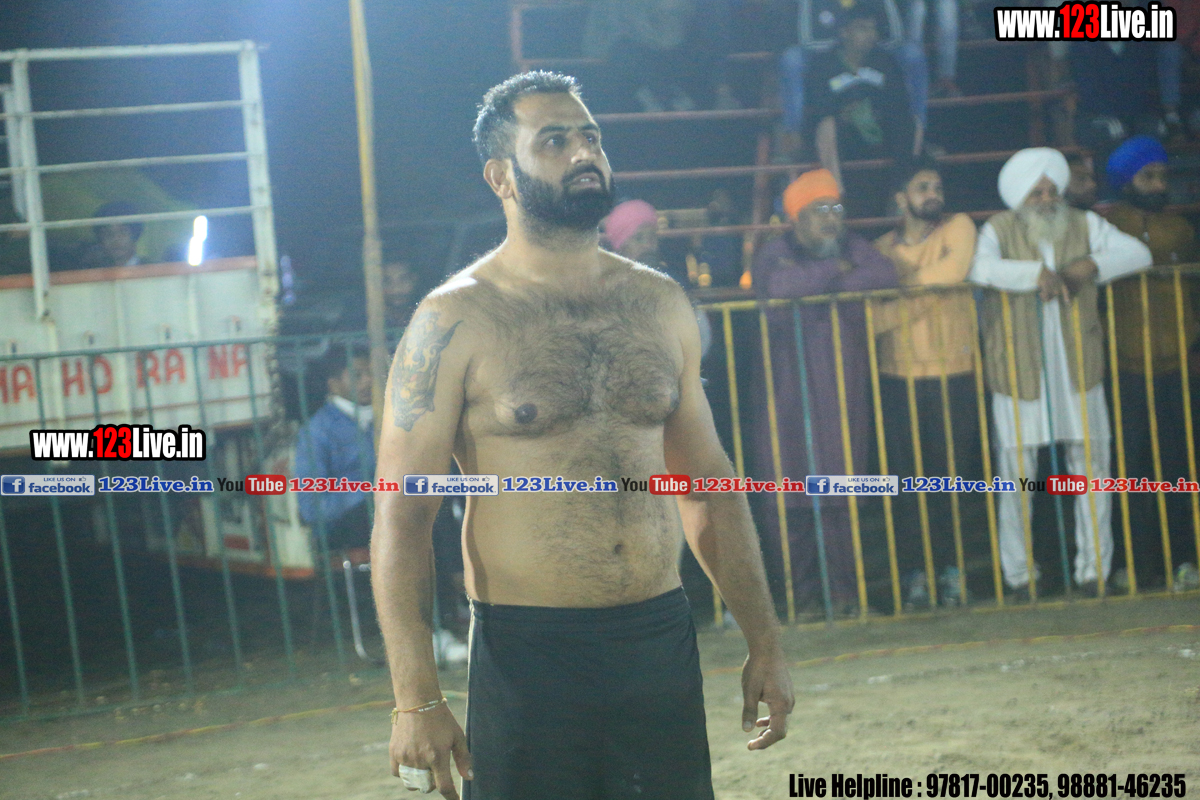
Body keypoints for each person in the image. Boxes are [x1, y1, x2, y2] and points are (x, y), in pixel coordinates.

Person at [372, 72, 793, 800]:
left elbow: (708, 489)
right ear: (501, 176)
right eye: (554, 141)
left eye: (590, 136)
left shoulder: (659, 304)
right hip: (528, 657)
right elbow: (403, 515)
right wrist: (416, 699)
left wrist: (765, 642)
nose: (582, 153)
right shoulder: (454, 319)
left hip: (658, 642)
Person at [969, 148, 1151, 598]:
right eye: (1037, 192)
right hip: (1018, 369)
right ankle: (1020, 576)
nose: (1048, 199)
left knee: (1093, 468)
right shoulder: (999, 228)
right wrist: (1036, 274)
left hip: (1078, 367)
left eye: (1053, 190)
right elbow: (981, 269)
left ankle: (1094, 571)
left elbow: (1139, 253)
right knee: (1017, 477)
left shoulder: (1084, 224)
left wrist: (1090, 265)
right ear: (1020, 197)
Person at [750, 168, 898, 615]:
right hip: (784, 395)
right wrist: (837, 269)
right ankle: (803, 600)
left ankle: (846, 597)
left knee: (841, 494)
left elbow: (884, 274)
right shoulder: (775, 252)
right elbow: (780, 286)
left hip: (841, 390)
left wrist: (816, 276)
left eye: (836, 209)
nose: (832, 219)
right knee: (789, 498)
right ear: (796, 218)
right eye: (820, 211)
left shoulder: (854, 246)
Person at [872, 157, 979, 606]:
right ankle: (915, 575)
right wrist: (929, 291)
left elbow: (954, 273)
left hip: (954, 374)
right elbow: (872, 321)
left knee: (952, 480)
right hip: (897, 377)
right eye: (922, 187)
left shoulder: (959, 227)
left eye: (936, 186)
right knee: (907, 483)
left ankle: (952, 572)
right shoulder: (880, 249)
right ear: (901, 198)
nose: (933, 194)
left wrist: (901, 290)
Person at [1103, 135, 1200, 586]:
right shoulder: (1106, 226)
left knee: (1179, 469)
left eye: (1162, 175)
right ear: (1126, 182)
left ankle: (1183, 560)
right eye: (1148, 176)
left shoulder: (1181, 229)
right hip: (1122, 367)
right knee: (1128, 470)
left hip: (1175, 366)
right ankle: (1130, 563)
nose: (1159, 184)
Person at [805, 2, 920, 215]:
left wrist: (876, 111)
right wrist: (843, 113)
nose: (871, 35)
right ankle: (836, 198)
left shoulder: (885, 61)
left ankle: (901, 191)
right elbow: (816, 105)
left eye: (873, 29)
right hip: (843, 135)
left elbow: (898, 101)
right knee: (827, 126)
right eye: (863, 28)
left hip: (880, 130)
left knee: (908, 122)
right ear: (844, 32)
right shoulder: (824, 64)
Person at [603, 198, 714, 356]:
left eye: (652, 237)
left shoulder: (673, 282)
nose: (648, 245)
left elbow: (700, 334)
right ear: (620, 247)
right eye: (639, 238)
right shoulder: (608, 288)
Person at [295, 346, 376, 550]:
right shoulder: (317, 431)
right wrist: (369, 490)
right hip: (345, 528)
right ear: (334, 385)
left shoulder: (388, 417)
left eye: (371, 373)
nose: (368, 381)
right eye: (357, 376)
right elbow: (311, 507)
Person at [81, 200, 144, 269]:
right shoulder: (91, 272)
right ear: (100, 239)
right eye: (108, 234)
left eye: (123, 232)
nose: (115, 239)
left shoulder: (151, 268)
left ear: (135, 235)